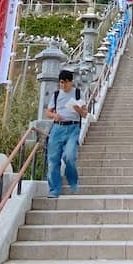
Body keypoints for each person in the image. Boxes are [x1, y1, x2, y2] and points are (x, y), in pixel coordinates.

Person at [45, 69, 88, 198]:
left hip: (73, 128)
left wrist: (78, 110)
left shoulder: (78, 94)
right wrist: (54, 115)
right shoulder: (57, 95)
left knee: (69, 156)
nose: (63, 85)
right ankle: (54, 189)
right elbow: (48, 112)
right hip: (57, 128)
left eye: (66, 83)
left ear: (71, 82)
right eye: (61, 83)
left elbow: (85, 114)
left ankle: (72, 180)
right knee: (53, 160)